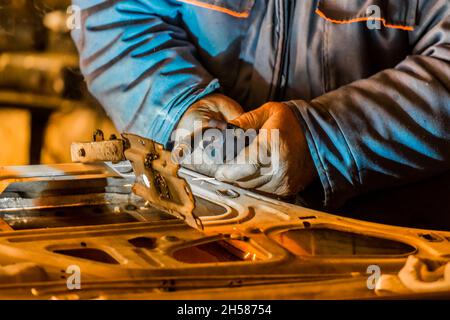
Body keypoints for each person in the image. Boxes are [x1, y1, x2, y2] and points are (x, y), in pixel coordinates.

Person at [72, 0, 450, 210]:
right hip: (206, 237)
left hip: (397, 243)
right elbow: (113, 11)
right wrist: (177, 107)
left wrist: (325, 140)